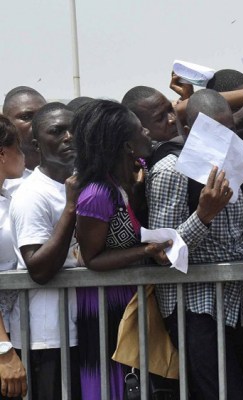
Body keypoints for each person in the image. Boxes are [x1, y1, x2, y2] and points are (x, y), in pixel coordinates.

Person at [147, 88, 243, 399]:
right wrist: (203, 215)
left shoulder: (235, 165)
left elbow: (237, 236)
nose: (224, 138)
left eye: (229, 129)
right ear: (188, 130)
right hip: (193, 308)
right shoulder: (170, 171)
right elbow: (161, 252)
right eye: (214, 130)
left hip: (233, 306)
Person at [72, 99, 172, 399]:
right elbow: (92, 258)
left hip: (127, 297)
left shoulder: (121, 184)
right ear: (127, 146)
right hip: (106, 304)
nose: (147, 132)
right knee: (115, 385)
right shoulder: (96, 194)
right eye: (141, 129)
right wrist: (146, 251)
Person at [9, 102, 81, 399]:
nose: (68, 137)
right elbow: (38, 268)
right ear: (37, 144)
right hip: (46, 336)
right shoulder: (32, 194)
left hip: (80, 327)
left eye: (73, 130)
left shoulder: (79, 182)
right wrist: (71, 208)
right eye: (57, 131)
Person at [0, 117, 28, 399]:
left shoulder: (9, 196)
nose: (24, 154)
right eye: (19, 147)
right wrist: (4, 351)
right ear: (2, 153)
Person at [1, 86, 46, 194]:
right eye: (26, 117)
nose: (38, 123)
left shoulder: (71, 173)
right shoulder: (5, 182)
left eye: (43, 116)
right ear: (7, 124)